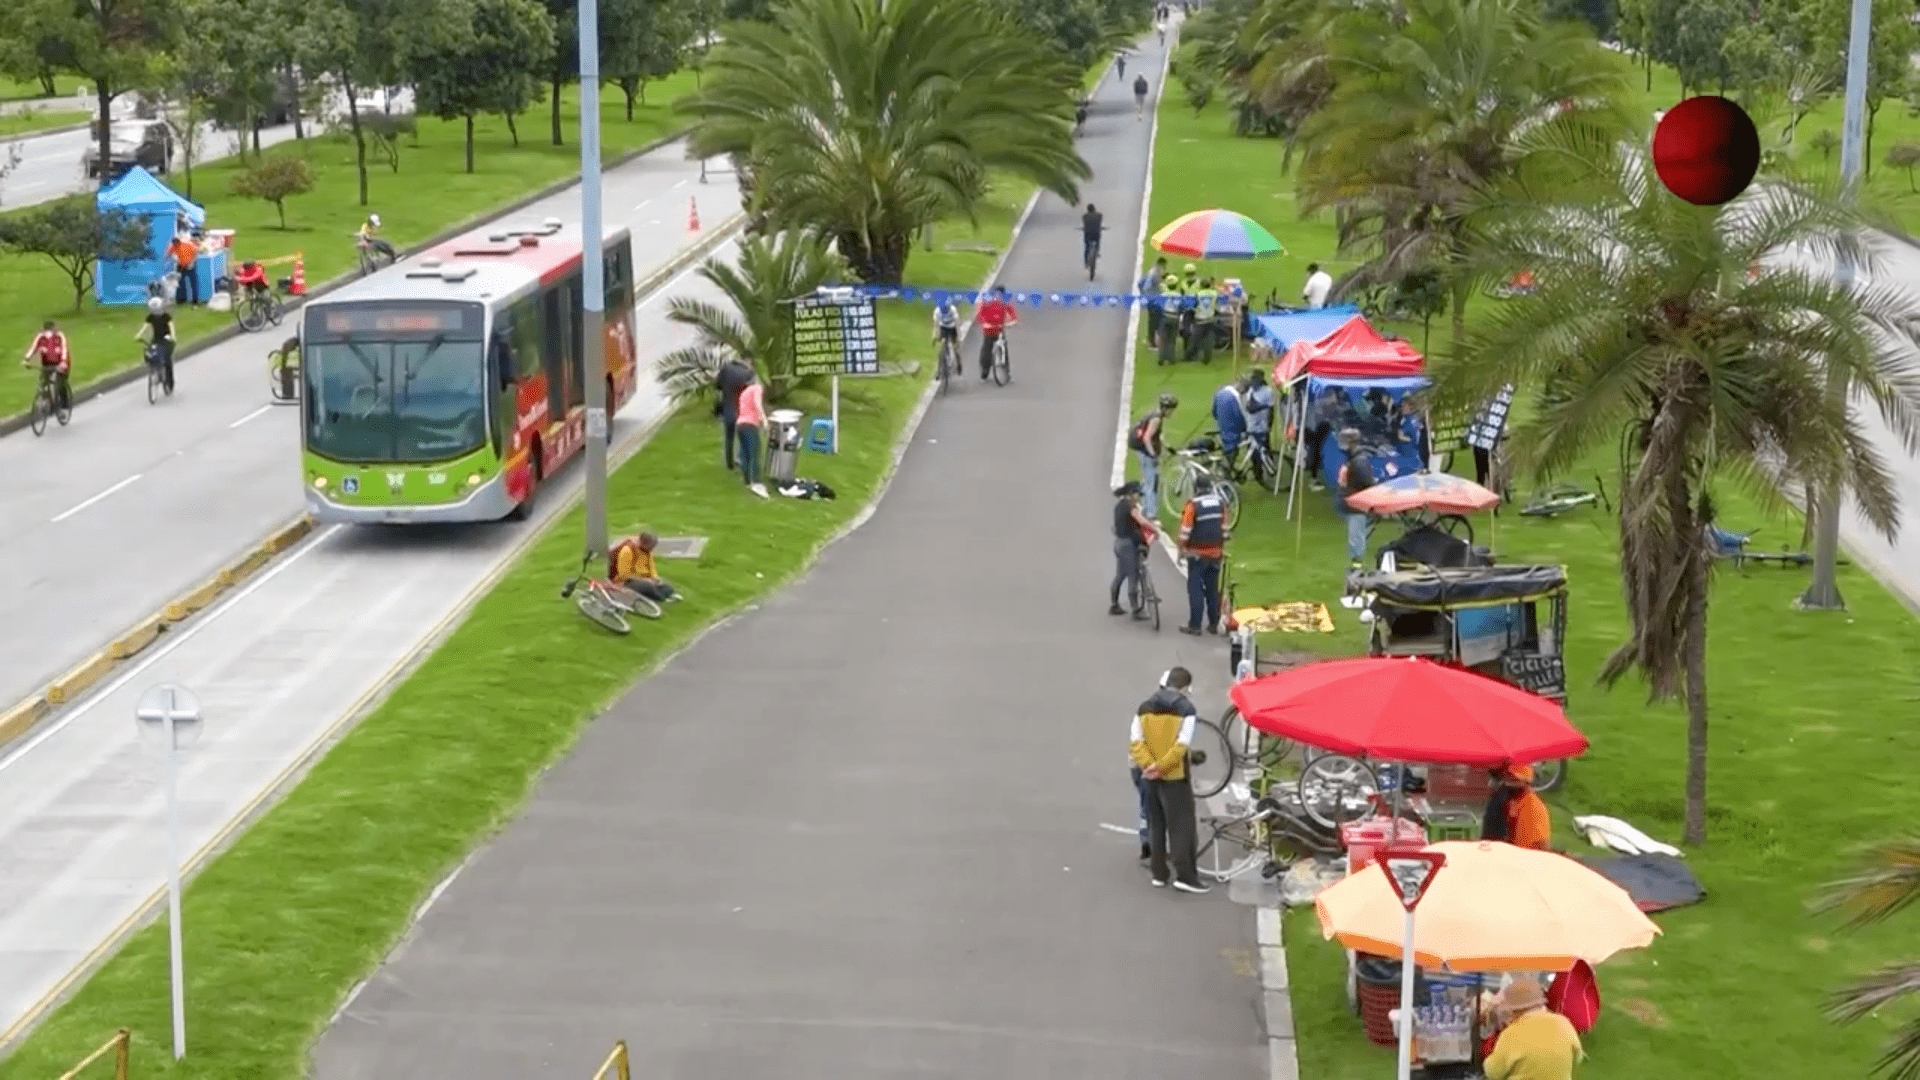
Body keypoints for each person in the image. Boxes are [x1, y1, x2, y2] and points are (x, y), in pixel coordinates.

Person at [1129, 667, 1209, 892]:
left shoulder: (1143, 708)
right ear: (1185, 688)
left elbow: (1136, 741)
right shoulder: (1186, 710)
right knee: (1181, 827)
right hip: (1175, 777)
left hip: (1149, 776)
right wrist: (1163, 767)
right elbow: (1181, 746)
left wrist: (1149, 766)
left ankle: (1159, 873)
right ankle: (1185, 876)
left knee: (1156, 823)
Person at [1483, 975, 1584, 1080]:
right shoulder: (1563, 1022)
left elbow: (1492, 1073)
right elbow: (1578, 1058)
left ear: (1514, 1010)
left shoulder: (1510, 1034)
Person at [1178, 475, 1227, 636]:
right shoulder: (1220, 504)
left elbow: (1185, 532)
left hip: (1197, 554)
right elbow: (1225, 529)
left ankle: (1195, 625)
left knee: (1196, 589)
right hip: (1216, 554)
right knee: (1213, 589)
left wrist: (1181, 549)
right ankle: (1213, 624)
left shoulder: (1193, 505)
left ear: (1196, 487)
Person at [1110, 481, 1155, 617]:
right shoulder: (1129, 505)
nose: (1138, 497)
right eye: (1136, 494)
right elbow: (1141, 520)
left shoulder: (1118, 506)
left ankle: (1114, 605)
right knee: (1133, 575)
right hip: (1128, 545)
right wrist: (1153, 528)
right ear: (1131, 493)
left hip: (1119, 543)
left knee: (1120, 575)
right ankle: (1136, 610)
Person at [1128, 392, 1176, 518]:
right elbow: (1147, 438)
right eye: (1171, 409)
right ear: (1166, 408)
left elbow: (1157, 436)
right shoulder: (1156, 419)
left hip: (1142, 450)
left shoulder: (1156, 415)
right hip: (1145, 452)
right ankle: (1150, 513)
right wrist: (1152, 454)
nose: (1172, 413)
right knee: (1151, 481)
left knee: (1148, 480)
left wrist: (1167, 447)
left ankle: (1143, 505)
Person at [1481, 764, 1552, 851]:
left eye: (1513, 779)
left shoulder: (1534, 807)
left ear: (1525, 782)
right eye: (1508, 777)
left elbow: (1542, 845)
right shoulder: (1508, 801)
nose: (1508, 782)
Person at [1335, 427, 1376, 568]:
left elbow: (1366, 482)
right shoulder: (1352, 459)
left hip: (1356, 505)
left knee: (1356, 536)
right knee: (1355, 535)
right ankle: (1356, 561)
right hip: (1351, 504)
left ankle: (1356, 565)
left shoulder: (1359, 461)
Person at [609, 531, 680, 603]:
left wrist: (655, 578)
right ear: (642, 542)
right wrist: (644, 580)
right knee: (648, 587)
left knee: (666, 585)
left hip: (644, 579)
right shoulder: (627, 550)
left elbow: (651, 568)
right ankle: (661, 596)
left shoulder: (648, 551)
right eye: (650, 547)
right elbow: (624, 575)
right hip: (626, 581)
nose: (651, 550)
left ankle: (664, 593)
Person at [22, 320, 73, 412]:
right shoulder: (40, 337)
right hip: (47, 363)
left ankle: (64, 402)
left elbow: (64, 349)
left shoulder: (60, 337)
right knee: (44, 381)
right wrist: (26, 359)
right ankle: (48, 401)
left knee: (60, 381)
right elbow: (33, 348)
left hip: (60, 362)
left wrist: (63, 362)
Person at [714, 357, 754, 470]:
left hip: (728, 408)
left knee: (729, 437)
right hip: (742, 410)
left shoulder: (725, 369)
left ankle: (729, 463)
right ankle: (743, 461)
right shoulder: (748, 373)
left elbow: (717, 386)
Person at [735, 369, 769, 498]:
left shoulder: (744, 392)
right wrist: (763, 419)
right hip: (750, 425)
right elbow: (757, 403)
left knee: (745, 453)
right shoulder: (757, 388)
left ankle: (747, 480)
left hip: (740, 425)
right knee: (755, 452)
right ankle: (757, 483)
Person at [135, 296, 176, 392]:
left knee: (167, 360)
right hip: (156, 339)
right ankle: (155, 369)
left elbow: (171, 327)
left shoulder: (166, 316)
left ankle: (170, 383)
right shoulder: (150, 317)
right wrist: (139, 335)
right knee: (151, 352)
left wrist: (173, 336)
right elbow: (144, 327)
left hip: (166, 339)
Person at [976, 286, 1017, 380]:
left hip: (999, 328)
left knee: (1004, 349)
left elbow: (1012, 313)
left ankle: (1006, 371)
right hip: (989, 329)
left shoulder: (1004, 302)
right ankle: (985, 371)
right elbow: (980, 314)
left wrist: (1012, 321)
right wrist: (983, 322)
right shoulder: (986, 302)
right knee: (987, 350)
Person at [1244, 370, 1275, 479]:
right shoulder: (1250, 391)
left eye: (1255, 379)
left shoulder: (1267, 391)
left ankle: (1271, 468)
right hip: (1250, 426)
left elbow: (1271, 410)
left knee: (1265, 449)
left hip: (1261, 427)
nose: (1253, 381)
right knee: (1253, 452)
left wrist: (1269, 425)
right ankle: (1258, 473)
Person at [1211, 378, 1247, 459]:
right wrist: (1246, 429)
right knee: (1231, 457)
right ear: (1241, 386)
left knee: (1226, 455)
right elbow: (1239, 416)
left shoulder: (1219, 393)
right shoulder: (1235, 397)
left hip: (1221, 430)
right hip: (1233, 434)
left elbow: (1214, 413)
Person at [1156, 273, 1186, 365]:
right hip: (1175, 318)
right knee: (1172, 339)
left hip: (1165, 317)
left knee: (1163, 339)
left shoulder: (1163, 295)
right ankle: (1171, 358)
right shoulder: (1178, 296)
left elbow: (1158, 307)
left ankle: (1161, 358)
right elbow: (1182, 308)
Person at [1139, 257, 1169, 346]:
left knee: (1153, 319)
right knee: (1156, 320)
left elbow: (1141, 283)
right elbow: (1156, 284)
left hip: (1149, 299)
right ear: (1162, 264)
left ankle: (1151, 339)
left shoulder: (1152, 271)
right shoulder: (1156, 273)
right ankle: (1153, 341)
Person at [168, 232, 202, 306]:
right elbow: (169, 253)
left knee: (193, 283)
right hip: (180, 266)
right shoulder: (173, 245)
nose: (176, 247)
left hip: (190, 265)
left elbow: (196, 252)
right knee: (180, 283)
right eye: (175, 246)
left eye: (177, 245)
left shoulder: (188, 244)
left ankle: (195, 300)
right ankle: (182, 300)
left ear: (179, 242)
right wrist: (175, 257)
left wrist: (192, 263)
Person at [1189, 277, 1218, 362]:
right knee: (1209, 339)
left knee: (1195, 339)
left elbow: (1192, 305)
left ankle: (1190, 355)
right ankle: (1207, 357)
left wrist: (1194, 310)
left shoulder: (1198, 294)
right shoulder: (1214, 293)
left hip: (1200, 319)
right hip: (1210, 318)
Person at [930, 296, 961, 375]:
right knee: (941, 349)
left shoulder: (953, 310)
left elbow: (957, 324)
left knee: (955, 346)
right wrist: (935, 336)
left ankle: (958, 363)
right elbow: (936, 325)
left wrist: (958, 337)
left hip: (952, 327)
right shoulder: (937, 311)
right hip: (943, 327)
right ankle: (938, 369)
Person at [1081, 203, 1104, 272]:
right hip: (1096, 233)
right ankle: (1096, 251)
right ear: (1094, 209)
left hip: (1087, 234)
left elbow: (1085, 224)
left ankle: (1086, 262)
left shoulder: (1084, 216)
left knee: (1087, 247)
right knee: (1097, 242)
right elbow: (1099, 223)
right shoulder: (1099, 215)